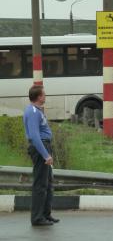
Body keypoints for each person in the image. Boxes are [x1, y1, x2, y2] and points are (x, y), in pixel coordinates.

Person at [23, 85, 58, 226]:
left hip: (45, 146)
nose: (45, 97)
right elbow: (34, 136)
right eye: (44, 95)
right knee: (40, 184)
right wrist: (45, 155)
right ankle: (37, 218)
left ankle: (46, 214)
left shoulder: (37, 110)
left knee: (48, 183)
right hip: (40, 148)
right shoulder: (32, 112)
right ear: (38, 97)